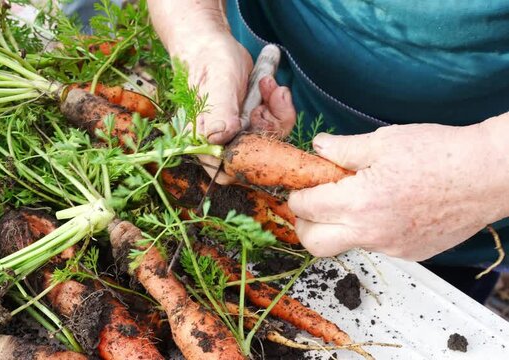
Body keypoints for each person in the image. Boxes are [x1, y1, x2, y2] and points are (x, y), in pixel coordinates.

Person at [148, 1, 509, 302]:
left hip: (462, 173)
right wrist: (200, 37)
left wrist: (480, 174)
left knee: (427, 302)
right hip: (264, 78)